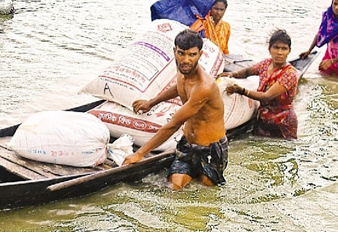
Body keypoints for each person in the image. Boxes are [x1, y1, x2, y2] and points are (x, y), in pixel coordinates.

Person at [123, 29, 228, 190]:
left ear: (200, 55)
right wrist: (151, 102)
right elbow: (179, 87)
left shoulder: (204, 87)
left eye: (192, 55)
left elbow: (173, 124)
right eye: (181, 53)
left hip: (211, 150)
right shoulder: (182, 70)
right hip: (188, 145)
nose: (186, 60)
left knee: (207, 191)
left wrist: (140, 153)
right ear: (175, 51)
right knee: (174, 187)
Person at [219, 29, 299, 139]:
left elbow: (267, 96)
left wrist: (241, 90)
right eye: (276, 48)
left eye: (284, 49)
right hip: (263, 120)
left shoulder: (290, 73)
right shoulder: (266, 64)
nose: (279, 52)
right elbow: (248, 72)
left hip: (282, 124)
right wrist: (232, 74)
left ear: (289, 51)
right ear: (269, 48)